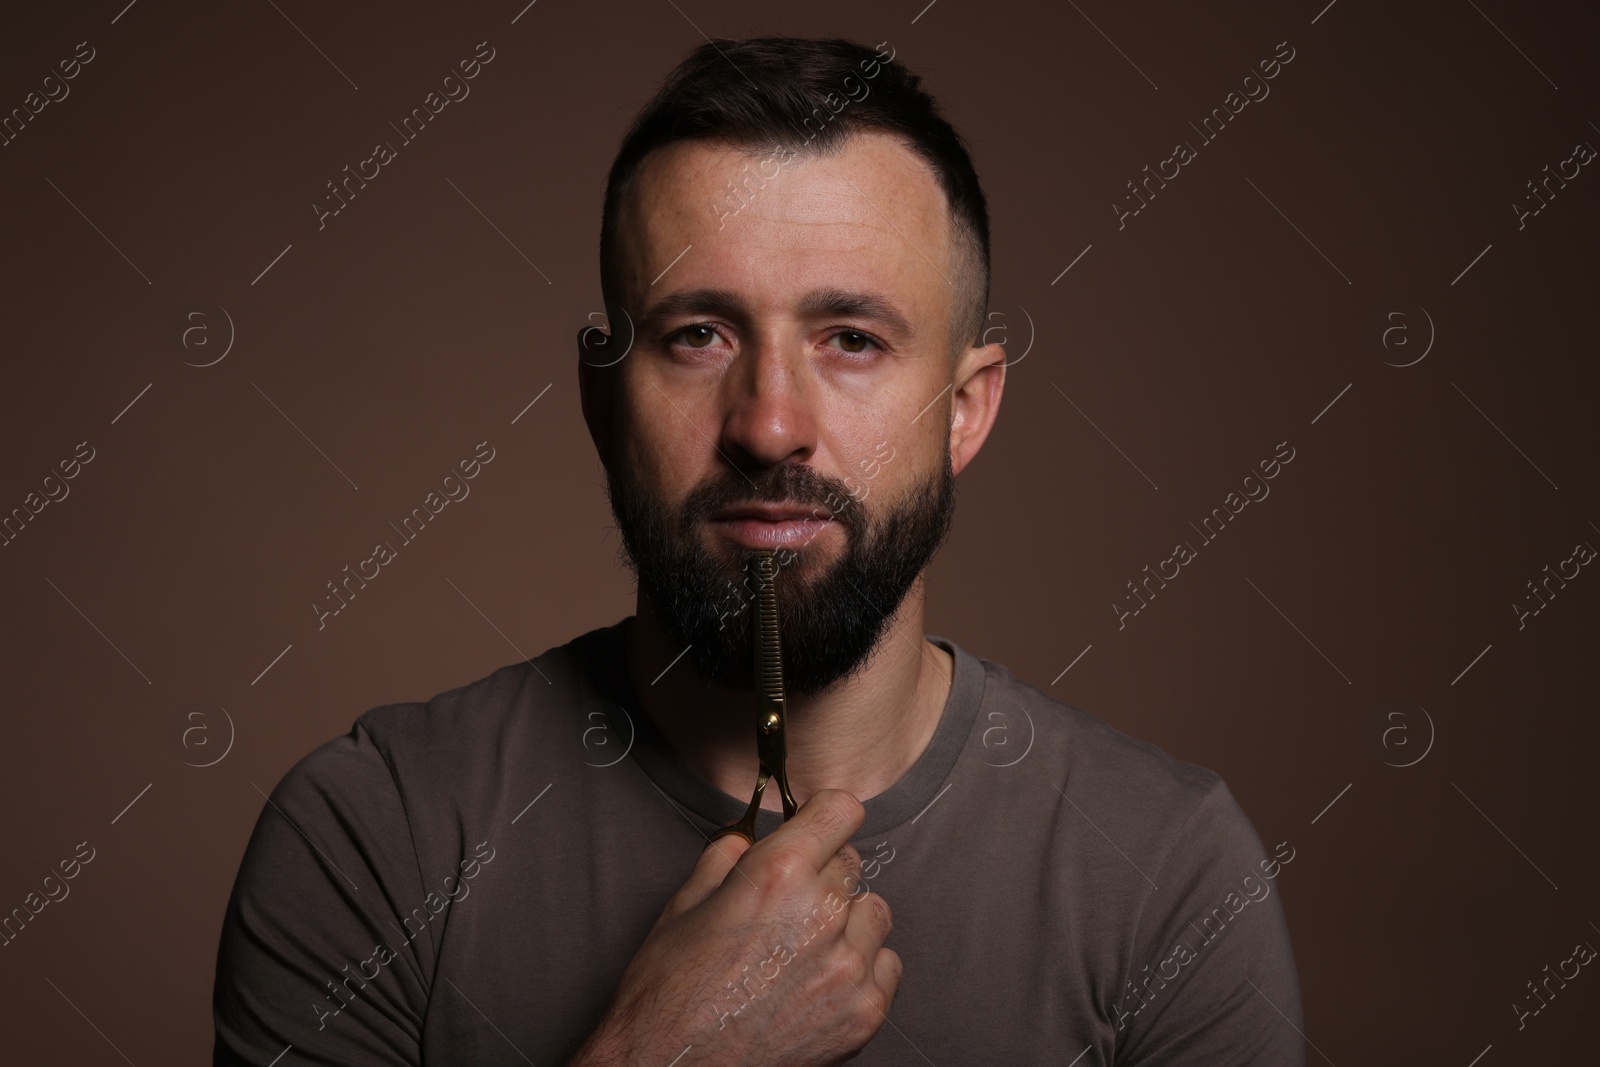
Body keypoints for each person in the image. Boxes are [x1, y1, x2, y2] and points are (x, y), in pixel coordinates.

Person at [213, 35, 1304, 1066]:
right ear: (604, 400)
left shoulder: (1164, 872)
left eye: (851, 340)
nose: (768, 423)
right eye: (699, 335)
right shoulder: (376, 834)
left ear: (965, 409)